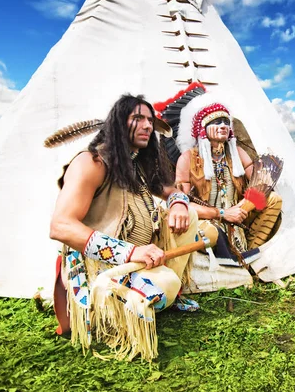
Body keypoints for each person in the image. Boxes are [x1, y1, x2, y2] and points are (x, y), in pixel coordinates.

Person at [49, 94, 198, 361]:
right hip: (103, 266)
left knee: (193, 219)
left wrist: (177, 203)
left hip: (138, 256)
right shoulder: (91, 163)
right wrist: (128, 253)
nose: (148, 126)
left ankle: (157, 293)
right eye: (137, 118)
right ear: (119, 123)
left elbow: (171, 190)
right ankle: (109, 310)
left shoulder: (135, 164)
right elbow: (60, 226)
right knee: (167, 284)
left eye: (150, 120)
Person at [157, 85, 282, 266]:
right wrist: (222, 214)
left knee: (273, 199)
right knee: (205, 230)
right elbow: (181, 201)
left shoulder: (237, 153)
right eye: (216, 122)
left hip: (239, 214)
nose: (223, 126)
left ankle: (249, 251)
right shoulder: (188, 158)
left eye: (225, 122)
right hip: (209, 219)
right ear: (202, 128)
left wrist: (243, 207)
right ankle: (227, 257)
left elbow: (260, 181)